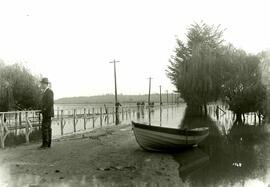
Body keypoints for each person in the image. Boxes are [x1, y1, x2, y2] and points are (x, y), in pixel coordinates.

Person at [39, 77, 54, 149]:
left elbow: (50, 103)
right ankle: (47, 144)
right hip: (47, 113)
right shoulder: (46, 91)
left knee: (45, 128)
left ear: (45, 84)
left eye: (42, 83)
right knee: (47, 128)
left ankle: (45, 144)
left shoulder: (49, 92)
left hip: (47, 113)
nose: (41, 85)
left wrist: (44, 109)